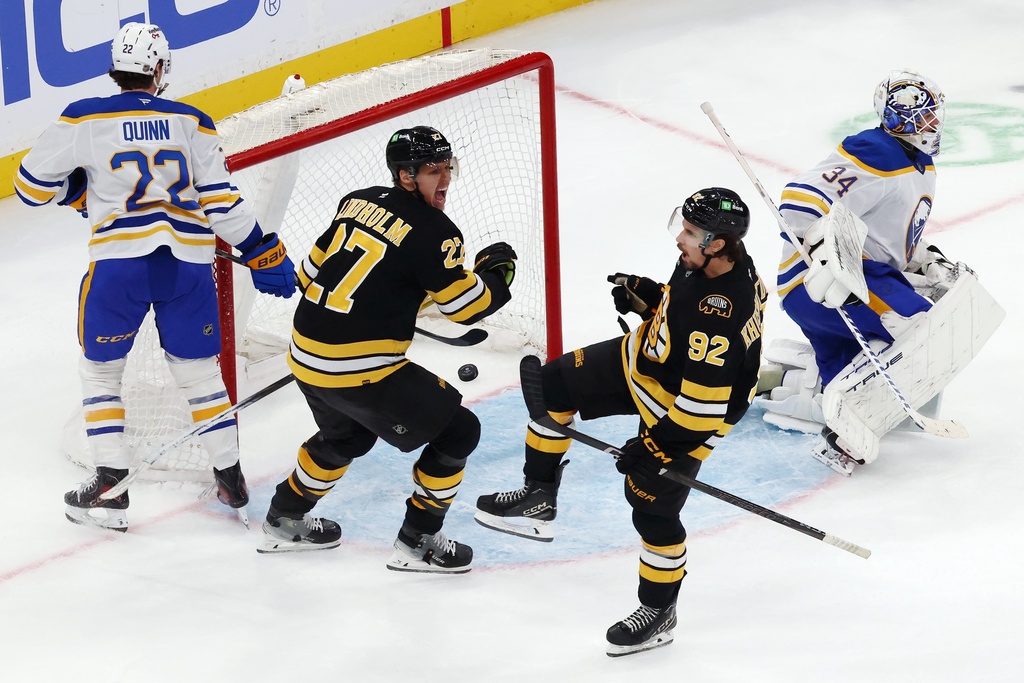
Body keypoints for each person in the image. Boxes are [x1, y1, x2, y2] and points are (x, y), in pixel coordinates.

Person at [14, 23, 297, 531]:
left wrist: (79, 191)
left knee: (101, 373)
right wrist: (262, 250)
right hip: (187, 266)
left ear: (114, 68)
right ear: (160, 69)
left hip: (118, 267)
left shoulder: (83, 116)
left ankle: (110, 487)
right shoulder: (193, 120)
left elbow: (30, 188)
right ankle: (230, 476)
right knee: (201, 373)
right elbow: (221, 201)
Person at [476, 188, 767, 656]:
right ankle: (538, 497)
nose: (679, 238)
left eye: (690, 231)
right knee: (553, 387)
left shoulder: (721, 313)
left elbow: (701, 409)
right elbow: (683, 309)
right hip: (647, 362)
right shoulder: (710, 261)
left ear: (717, 243)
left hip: (686, 411)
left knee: (652, 509)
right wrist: (652, 300)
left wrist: (653, 449)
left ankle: (658, 611)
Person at [257, 125, 516, 574]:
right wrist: (497, 275)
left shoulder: (355, 201)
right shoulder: (436, 231)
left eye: (447, 167)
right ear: (406, 176)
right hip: (360, 367)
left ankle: (284, 517)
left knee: (347, 437)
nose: (445, 178)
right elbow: (465, 308)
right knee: (459, 432)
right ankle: (418, 542)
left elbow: (307, 274)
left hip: (304, 354)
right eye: (433, 170)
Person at [762, 69, 963, 475]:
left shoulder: (920, 166)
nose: (932, 123)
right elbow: (800, 202)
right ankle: (836, 415)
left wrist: (926, 259)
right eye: (922, 116)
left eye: (933, 114)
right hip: (826, 284)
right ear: (897, 119)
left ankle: (800, 391)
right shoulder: (876, 150)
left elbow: (886, 234)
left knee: (854, 381)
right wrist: (825, 255)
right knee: (922, 329)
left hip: (830, 289)